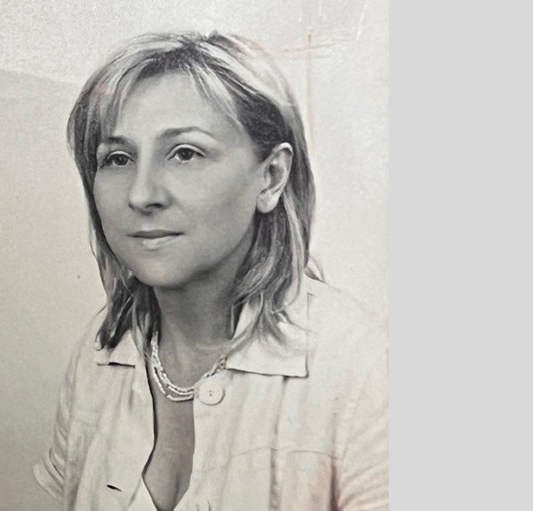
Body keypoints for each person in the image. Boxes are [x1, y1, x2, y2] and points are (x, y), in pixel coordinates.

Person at [34, 31, 388, 511]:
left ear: (271, 177)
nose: (142, 194)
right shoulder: (99, 352)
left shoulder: (363, 369)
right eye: (118, 158)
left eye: (185, 153)